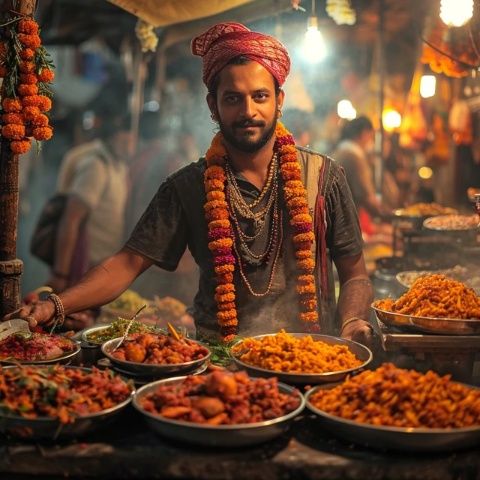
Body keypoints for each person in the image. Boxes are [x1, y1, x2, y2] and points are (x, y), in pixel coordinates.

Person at [5, 22, 373, 346]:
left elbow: (354, 273)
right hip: (220, 365)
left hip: (312, 356)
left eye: (260, 96)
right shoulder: (188, 186)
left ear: (279, 100)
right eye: (233, 99)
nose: (248, 111)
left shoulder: (325, 176)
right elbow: (128, 262)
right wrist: (55, 305)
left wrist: (353, 319)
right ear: (213, 106)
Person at [45, 112, 132, 293]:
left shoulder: (119, 165)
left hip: (103, 263)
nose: (130, 146)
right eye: (125, 141)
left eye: (132, 141)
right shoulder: (96, 166)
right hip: (83, 264)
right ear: (112, 137)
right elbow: (71, 219)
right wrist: (60, 273)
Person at [332, 116, 388, 219]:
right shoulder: (353, 157)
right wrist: (385, 215)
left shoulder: (340, 152)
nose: (371, 142)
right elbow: (366, 195)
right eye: (371, 137)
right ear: (364, 134)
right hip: (346, 219)